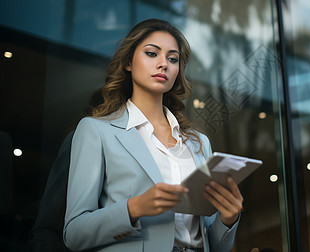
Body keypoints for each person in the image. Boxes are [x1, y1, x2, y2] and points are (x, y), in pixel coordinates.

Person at [63, 19, 243, 252]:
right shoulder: (96, 131)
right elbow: (74, 233)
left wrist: (228, 219)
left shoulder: (199, 143)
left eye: (172, 58)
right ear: (128, 62)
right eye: (151, 53)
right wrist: (134, 208)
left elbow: (214, 245)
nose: (163, 64)